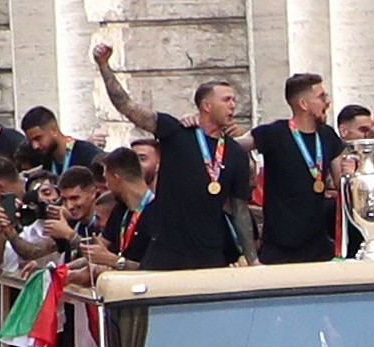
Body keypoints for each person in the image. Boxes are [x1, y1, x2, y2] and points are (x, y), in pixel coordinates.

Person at [94, 43, 256, 269]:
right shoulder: (176, 132)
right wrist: (104, 67)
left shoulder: (236, 153)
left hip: (210, 256)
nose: (233, 105)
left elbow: (240, 212)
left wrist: (253, 259)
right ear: (206, 105)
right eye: (226, 100)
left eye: (233, 100)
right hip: (165, 254)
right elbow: (127, 106)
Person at [250, 74, 345, 264]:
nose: (328, 101)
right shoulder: (274, 133)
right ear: (304, 104)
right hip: (279, 248)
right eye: (321, 97)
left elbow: (341, 181)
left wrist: (350, 175)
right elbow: (235, 146)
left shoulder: (327, 135)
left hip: (319, 246)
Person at [19, 105, 102, 176]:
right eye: (31, 141)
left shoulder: (88, 155)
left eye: (38, 138)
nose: (35, 146)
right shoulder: (47, 161)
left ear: (54, 130)